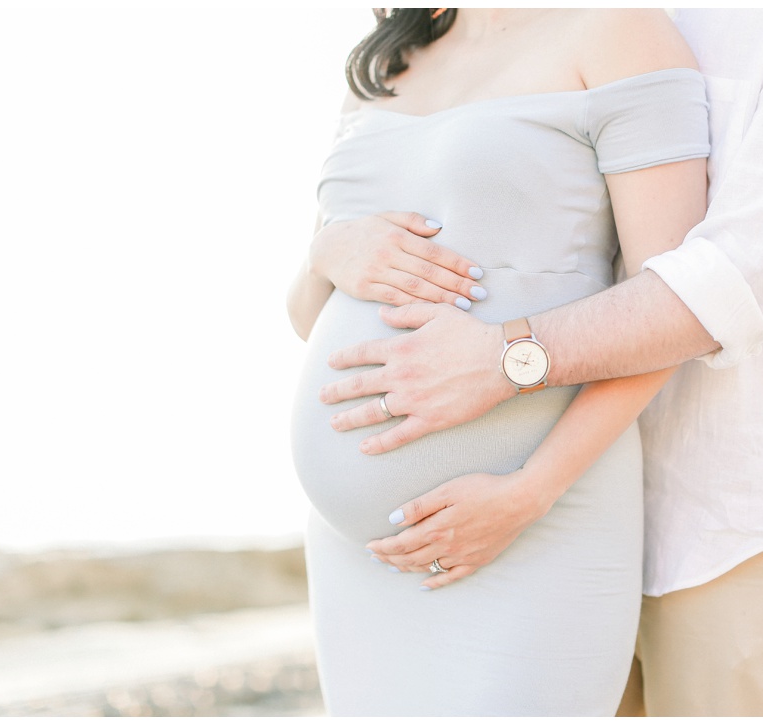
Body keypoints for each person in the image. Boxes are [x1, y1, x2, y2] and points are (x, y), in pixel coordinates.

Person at [319, 8, 763, 717]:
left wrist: (505, 364)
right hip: (545, 491)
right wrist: (332, 249)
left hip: (724, 513)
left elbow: (738, 281)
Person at [287, 8, 709, 717]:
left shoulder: (619, 32)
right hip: (356, 560)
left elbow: (675, 309)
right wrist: (326, 254)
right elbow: (313, 319)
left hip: (532, 521)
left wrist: (531, 491)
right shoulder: (387, 62)